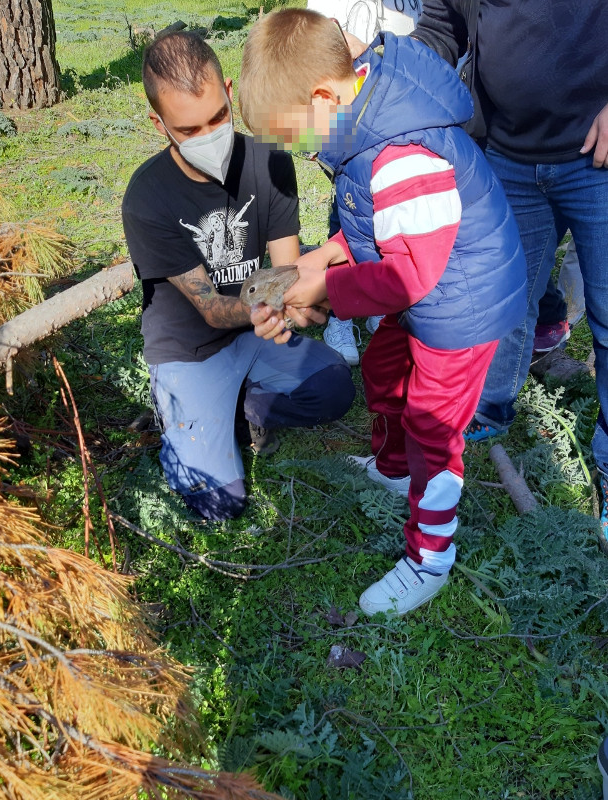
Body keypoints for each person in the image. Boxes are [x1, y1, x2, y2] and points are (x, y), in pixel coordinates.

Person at [240, 8, 526, 614]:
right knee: (384, 371)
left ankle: (429, 556)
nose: (293, 149)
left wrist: (324, 291)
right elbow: (376, 230)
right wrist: (315, 262)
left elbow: (407, 275)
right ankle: (395, 469)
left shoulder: (400, 155)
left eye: (289, 134)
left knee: (432, 424)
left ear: (321, 97)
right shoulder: (363, 116)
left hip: (460, 303)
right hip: (432, 283)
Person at [122, 31, 355, 522]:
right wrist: (270, 308)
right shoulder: (147, 197)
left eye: (219, 117)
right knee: (218, 505)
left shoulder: (270, 159)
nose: (209, 136)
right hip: (190, 349)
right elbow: (207, 306)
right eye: (187, 129)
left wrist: (297, 299)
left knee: (333, 387)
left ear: (229, 91)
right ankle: (183, 417)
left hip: (256, 332)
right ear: (158, 123)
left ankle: (242, 408)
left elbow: (285, 268)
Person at [410, 1, 608, 540]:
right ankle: (491, 406)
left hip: (598, 155)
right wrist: (387, 76)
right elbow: (440, 26)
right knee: (503, 298)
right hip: (508, 154)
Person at [309, 0, 423, 366]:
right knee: (350, 206)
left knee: (389, 217)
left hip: (396, 102)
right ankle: (344, 314)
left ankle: (378, 300)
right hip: (348, 107)